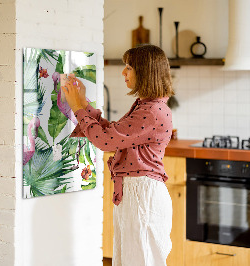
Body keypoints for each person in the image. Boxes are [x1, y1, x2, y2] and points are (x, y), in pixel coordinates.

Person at [62, 44, 174, 266]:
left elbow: (105, 141)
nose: (123, 72)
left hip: (142, 195)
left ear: (145, 72)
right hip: (137, 193)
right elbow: (113, 133)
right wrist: (84, 104)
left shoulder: (151, 111)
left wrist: (77, 108)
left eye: (129, 67)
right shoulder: (147, 106)